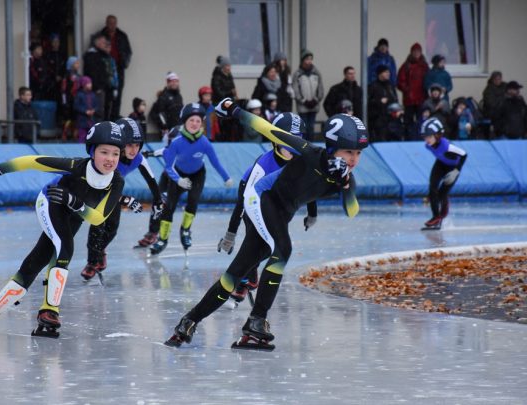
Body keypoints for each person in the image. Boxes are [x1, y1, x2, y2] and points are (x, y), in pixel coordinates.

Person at [165, 99, 368, 350]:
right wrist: (233, 110)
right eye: (349, 152)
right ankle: (256, 322)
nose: (354, 159)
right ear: (333, 147)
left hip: (280, 214)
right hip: (260, 198)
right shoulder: (308, 151)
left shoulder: (346, 177)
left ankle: (188, 322)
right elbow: (267, 129)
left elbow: (352, 210)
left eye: (358, 153)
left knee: (235, 275)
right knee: (283, 250)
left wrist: (346, 185)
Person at [0, 121, 126, 338]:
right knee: (65, 248)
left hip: (74, 213)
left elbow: (98, 218)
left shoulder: (117, 181)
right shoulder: (76, 166)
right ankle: (49, 310)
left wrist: (74, 202)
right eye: (104, 152)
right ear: (92, 151)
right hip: (50, 201)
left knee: (37, 261)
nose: (110, 159)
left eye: (115, 153)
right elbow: (32, 161)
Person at [217, 112, 313, 305]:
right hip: (252, 197)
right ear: (275, 139)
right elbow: (241, 205)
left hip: (278, 202)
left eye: (297, 140)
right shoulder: (262, 166)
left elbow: (310, 186)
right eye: (287, 139)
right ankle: (246, 278)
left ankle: (249, 275)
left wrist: (312, 212)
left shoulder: (303, 160)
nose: (293, 146)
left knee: (269, 245)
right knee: (254, 239)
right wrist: (230, 234)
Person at [80, 118, 163, 281]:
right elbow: (101, 187)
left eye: (138, 144)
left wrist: (158, 200)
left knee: (112, 229)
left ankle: (101, 251)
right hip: (95, 192)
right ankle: (91, 263)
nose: (134, 149)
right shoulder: (110, 159)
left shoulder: (138, 158)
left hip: (114, 194)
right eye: (130, 144)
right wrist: (126, 200)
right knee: (97, 227)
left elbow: (151, 179)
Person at [149, 103, 234, 255]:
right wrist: (178, 180)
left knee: (193, 201)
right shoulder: (176, 142)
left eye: (198, 121)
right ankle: (162, 238)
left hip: (198, 175)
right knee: (168, 207)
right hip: (178, 175)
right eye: (191, 120)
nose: (195, 124)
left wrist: (226, 177)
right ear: (185, 122)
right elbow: (168, 167)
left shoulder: (205, 142)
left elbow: (215, 162)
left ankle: (186, 229)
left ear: (201, 123)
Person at [419, 118, 467, 230]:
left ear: (438, 135)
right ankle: (435, 217)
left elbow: (464, 154)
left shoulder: (447, 146)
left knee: (441, 194)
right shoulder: (428, 145)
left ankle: (441, 216)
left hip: (453, 167)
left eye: (429, 137)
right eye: (425, 137)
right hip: (440, 164)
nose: (427, 140)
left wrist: (457, 170)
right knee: (432, 188)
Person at [99, 15, 132, 120]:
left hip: (118, 69)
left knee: (117, 97)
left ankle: (114, 121)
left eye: (114, 23)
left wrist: (124, 63)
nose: (112, 25)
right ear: (106, 23)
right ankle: (105, 122)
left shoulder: (122, 36)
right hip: (105, 70)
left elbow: (128, 52)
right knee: (105, 98)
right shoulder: (100, 36)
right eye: (110, 23)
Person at [83, 33, 118, 121]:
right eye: (103, 42)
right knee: (98, 111)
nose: (105, 44)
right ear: (97, 43)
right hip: (97, 88)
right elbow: (93, 73)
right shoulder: (92, 55)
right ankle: (98, 132)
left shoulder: (102, 55)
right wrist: (97, 87)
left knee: (105, 110)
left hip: (104, 87)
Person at [398, 43, 429, 138]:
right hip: (409, 99)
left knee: (422, 120)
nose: (416, 53)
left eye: (418, 51)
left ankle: (421, 138)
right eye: (414, 51)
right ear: (411, 52)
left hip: (421, 98)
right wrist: (407, 90)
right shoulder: (406, 66)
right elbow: (400, 81)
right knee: (408, 121)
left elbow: (428, 80)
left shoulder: (424, 66)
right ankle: (408, 138)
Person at [292, 49, 324, 141]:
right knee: (303, 127)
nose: (309, 61)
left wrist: (316, 100)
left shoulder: (316, 73)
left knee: (311, 127)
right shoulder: (297, 74)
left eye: (310, 59)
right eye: (307, 59)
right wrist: (303, 101)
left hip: (314, 105)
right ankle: (303, 145)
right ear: (302, 60)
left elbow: (320, 88)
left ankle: (311, 146)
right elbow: (295, 90)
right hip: (303, 106)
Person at [149, 72, 184, 140]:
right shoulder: (163, 96)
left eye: (176, 81)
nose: (174, 83)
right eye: (172, 81)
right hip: (167, 131)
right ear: (168, 83)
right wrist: (164, 127)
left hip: (179, 129)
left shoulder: (179, 96)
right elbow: (160, 113)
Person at [368, 65, 398, 142]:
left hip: (391, 119)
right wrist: (379, 101)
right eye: (386, 72)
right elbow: (367, 103)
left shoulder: (390, 86)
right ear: (380, 74)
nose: (388, 74)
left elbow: (395, 100)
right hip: (378, 120)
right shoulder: (373, 86)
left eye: (388, 72)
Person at [211, 56, 238, 141]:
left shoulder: (229, 76)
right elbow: (219, 93)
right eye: (227, 66)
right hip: (220, 105)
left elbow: (233, 89)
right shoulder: (216, 77)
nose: (229, 68)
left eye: (230, 66)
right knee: (222, 127)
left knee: (231, 127)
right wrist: (230, 93)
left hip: (229, 104)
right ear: (223, 67)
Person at [61, 56, 81, 141]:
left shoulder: (77, 75)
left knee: (75, 118)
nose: (78, 65)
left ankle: (74, 134)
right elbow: (63, 89)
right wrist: (64, 100)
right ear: (71, 64)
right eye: (76, 63)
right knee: (68, 118)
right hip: (69, 99)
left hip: (76, 99)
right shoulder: (67, 75)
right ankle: (64, 134)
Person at [74, 76, 99, 143]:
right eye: (88, 83)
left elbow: (96, 105)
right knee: (82, 136)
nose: (90, 85)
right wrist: (85, 111)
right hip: (82, 120)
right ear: (84, 84)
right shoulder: (79, 94)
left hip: (91, 120)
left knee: (91, 136)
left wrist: (94, 110)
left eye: (91, 83)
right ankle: (80, 151)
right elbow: (76, 106)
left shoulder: (93, 95)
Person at [45, 33, 65, 105]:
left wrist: (61, 76)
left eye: (58, 41)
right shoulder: (48, 55)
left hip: (61, 80)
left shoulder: (62, 54)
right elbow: (47, 67)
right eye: (54, 41)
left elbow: (64, 67)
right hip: (51, 81)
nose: (56, 44)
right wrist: (54, 76)